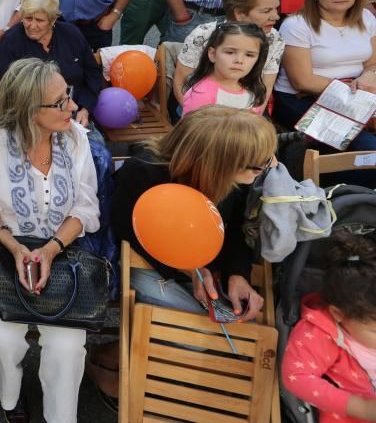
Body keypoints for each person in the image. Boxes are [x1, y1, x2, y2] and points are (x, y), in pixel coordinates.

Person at [0, 58, 100, 423]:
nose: (72, 107)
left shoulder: (75, 137)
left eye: (68, 96)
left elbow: (86, 207)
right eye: (60, 102)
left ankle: (60, 418)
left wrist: (50, 249)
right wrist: (16, 249)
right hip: (7, 252)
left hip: (62, 251)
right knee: (4, 339)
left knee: (66, 346)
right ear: (28, 110)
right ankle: (11, 401)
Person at [112, 106, 274, 317]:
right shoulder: (144, 173)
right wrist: (189, 270)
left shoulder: (237, 180)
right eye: (258, 166)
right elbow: (127, 233)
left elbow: (234, 229)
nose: (264, 170)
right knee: (200, 331)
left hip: (199, 269)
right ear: (222, 164)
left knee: (230, 324)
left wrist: (237, 274)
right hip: (146, 262)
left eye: (267, 161)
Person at [273, 0, 376, 151]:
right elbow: (302, 81)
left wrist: (369, 76)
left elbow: (373, 63)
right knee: (368, 147)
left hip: (357, 92)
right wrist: (353, 90)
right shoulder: (297, 25)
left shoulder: (366, 17)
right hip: (304, 98)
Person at [282, 234, 376, 423]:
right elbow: (296, 376)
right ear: (338, 314)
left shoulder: (365, 319)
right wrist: (361, 408)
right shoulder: (319, 332)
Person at [0, 0, 103, 128]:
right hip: (31, 121)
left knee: (94, 150)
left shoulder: (71, 35)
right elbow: (7, 91)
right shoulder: (11, 42)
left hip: (75, 115)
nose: (32, 26)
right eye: (28, 18)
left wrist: (85, 109)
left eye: (39, 20)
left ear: (52, 20)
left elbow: (93, 75)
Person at [174, 0, 286, 106]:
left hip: (247, 111)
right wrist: (199, 120)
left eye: (276, 9)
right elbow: (182, 85)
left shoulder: (274, 39)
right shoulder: (204, 34)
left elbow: (264, 90)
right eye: (266, 11)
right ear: (239, 13)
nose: (276, 17)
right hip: (200, 109)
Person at [180, 22, 269, 116]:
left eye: (249, 55)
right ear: (212, 54)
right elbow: (193, 130)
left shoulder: (253, 90)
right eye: (230, 52)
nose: (239, 60)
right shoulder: (202, 93)